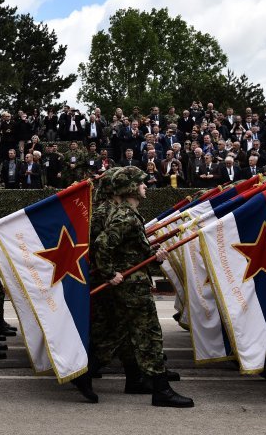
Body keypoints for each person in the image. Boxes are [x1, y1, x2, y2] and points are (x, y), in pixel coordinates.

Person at [92, 167, 194, 408]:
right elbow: (101, 245)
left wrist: (154, 255)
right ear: (130, 188)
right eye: (141, 183)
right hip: (132, 287)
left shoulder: (129, 213)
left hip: (133, 284)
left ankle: (84, 373)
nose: (145, 186)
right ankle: (161, 391)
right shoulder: (126, 216)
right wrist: (110, 274)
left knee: (120, 335)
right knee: (149, 336)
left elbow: (133, 250)